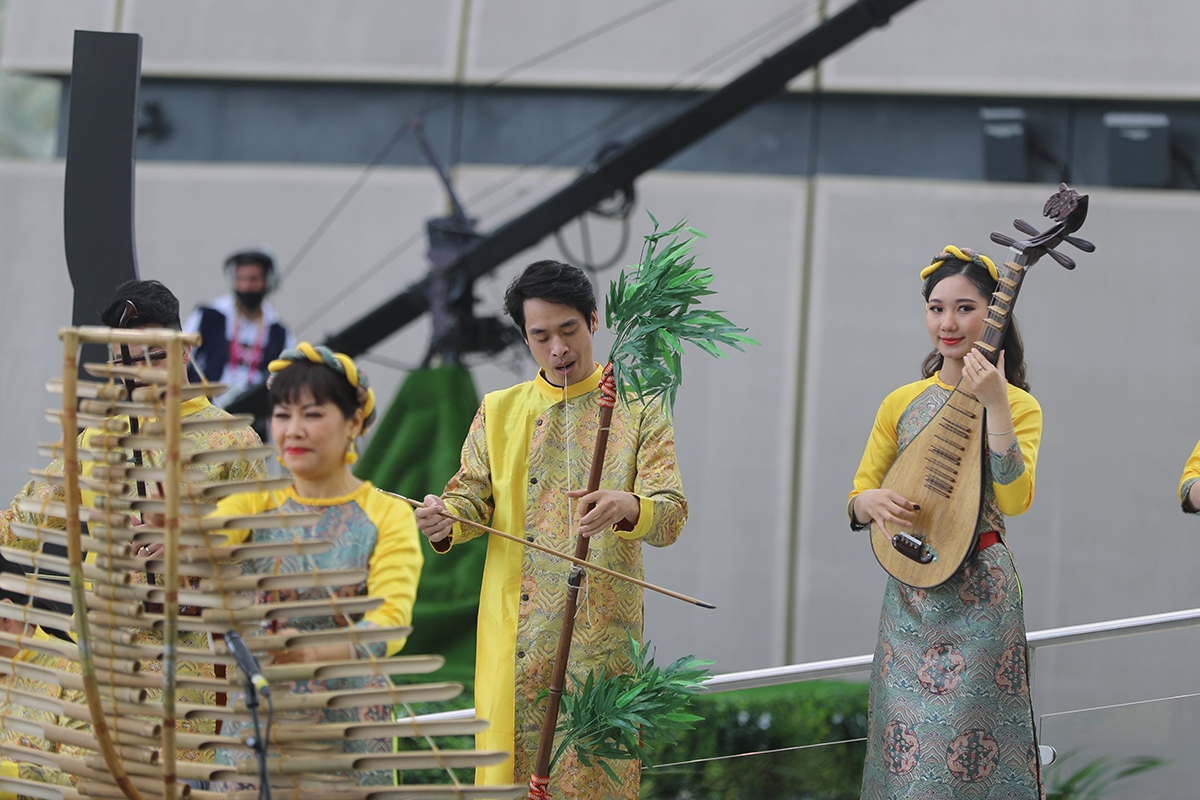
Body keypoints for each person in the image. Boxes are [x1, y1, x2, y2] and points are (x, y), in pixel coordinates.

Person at [415, 260, 687, 799]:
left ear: (593, 321)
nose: (558, 349)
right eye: (540, 337)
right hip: (514, 635)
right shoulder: (499, 410)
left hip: (600, 644)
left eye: (569, 331)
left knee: (593, 781)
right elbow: (471, 495)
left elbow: (671, 513)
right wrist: (445, 518)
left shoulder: (638, 408)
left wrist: (628, 505)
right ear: (525, 337)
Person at [0, 278, 268, 768]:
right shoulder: (94, 442)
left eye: (155, 356)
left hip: (191, 671)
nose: (143, 374)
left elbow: (266, 554)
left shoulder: (234, 442)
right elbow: (19, 524)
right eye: (128, 364)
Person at [847, 246, 1044, 799]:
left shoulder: (1020, 406)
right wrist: (872, 505)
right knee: (904, 761)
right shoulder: (901, 402)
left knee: (974, 761)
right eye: (936, 309)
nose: (948, 323)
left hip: (981, 600)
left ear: (993, 315)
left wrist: (997, 407)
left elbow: (1016, 498)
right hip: (909, 599)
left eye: (964, 308)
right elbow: (859, 493)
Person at [213, 343, 423, 787]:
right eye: (283, 415)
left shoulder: (386, 515)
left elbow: (389, 622)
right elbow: (200, 546)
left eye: (312, 414)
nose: (293, 430)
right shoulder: (252, 503)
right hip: (264, 715)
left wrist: (311, 653)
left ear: (353, 423)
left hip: (348, 725)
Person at [185, 247, 295, 416]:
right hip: (204, 416)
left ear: (268, 281)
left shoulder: (279, 333)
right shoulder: (209, 315)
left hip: (252, 422)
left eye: (254, 279)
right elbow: (182, 360)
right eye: (241, 279)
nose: (246, 286)